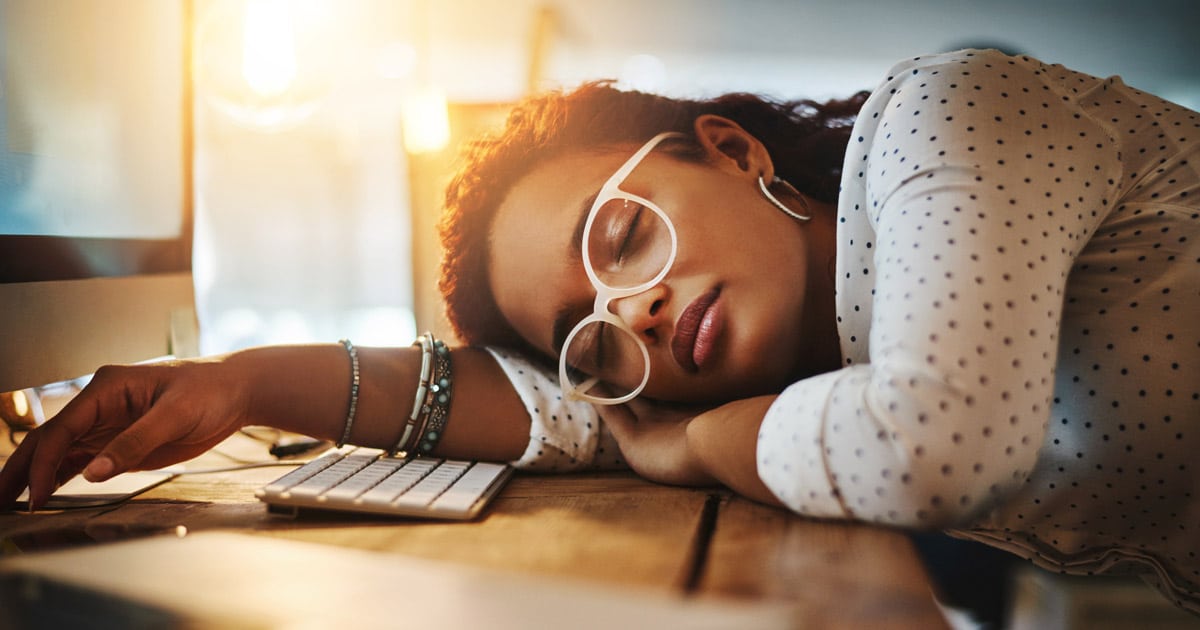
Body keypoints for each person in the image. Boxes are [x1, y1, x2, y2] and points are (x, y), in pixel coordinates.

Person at [1, 48, 1196, 616]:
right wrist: (244, 380)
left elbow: (934, 445)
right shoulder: (820, 355)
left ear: (730, 151)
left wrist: (673, 447)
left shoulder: (951, 113)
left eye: (621, 237)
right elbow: (568, 411)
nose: (633, 313)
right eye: (588, 328)